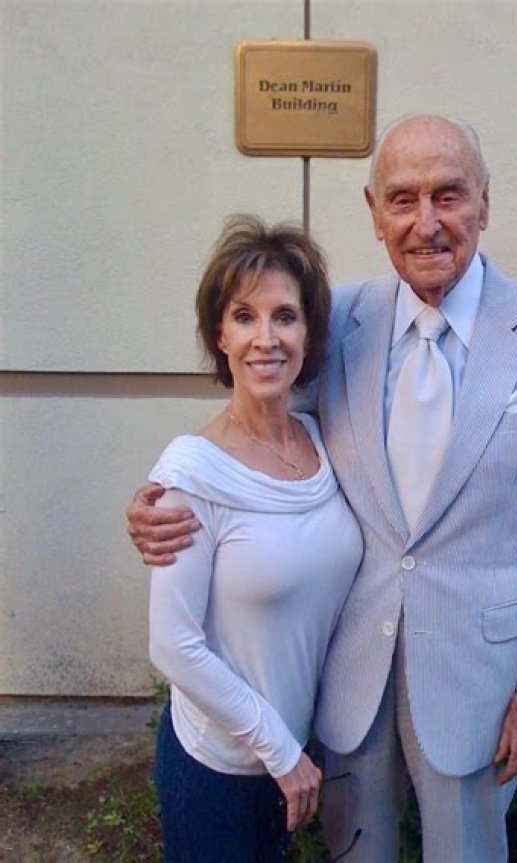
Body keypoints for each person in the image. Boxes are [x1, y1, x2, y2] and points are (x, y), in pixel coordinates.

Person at [128, 114, 517, 863]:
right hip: (352, 680)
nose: (426, 223)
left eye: (449, 195)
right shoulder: (336, 318)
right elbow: (255, 432)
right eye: (403, 199)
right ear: (375, 213)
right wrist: (165, 498)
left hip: (480, 679)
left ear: (485, 201)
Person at [143, 215, 363, 862]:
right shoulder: (192, 473)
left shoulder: (321, 440)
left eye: (284, 316)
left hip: (291, 758)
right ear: (220, 335)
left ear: (308, 333)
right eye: (244, 316)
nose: (265, 339)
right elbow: (173, 643)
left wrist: (293, 751)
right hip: (218, 767)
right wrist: (279, 749)